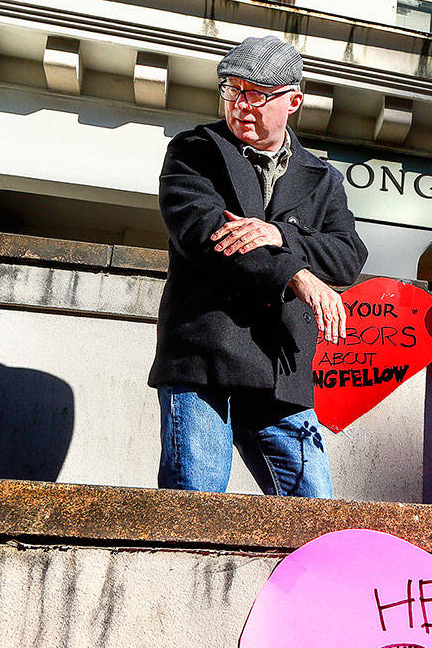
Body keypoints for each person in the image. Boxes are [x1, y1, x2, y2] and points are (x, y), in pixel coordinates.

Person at [149, 36, 368, 497]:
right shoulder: (195, 150)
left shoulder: (323, 177)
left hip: (282, 367)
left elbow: (349, 255)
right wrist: (296, 273)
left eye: (257, 94)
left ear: (294, 100)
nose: (241, 106)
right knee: (194, 509)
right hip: (204, 356)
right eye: (232, 90)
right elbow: (207, 234)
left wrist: (281, 235)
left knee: (314, 517)